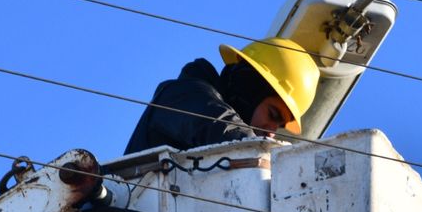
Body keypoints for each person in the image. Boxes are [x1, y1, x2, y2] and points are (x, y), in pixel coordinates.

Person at [124, 37, 320, 155]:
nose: (272, 132)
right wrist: (278, 158)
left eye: (279, 126)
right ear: (250, 90)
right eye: (273, 115)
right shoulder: (184, 95)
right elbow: (219, 126)